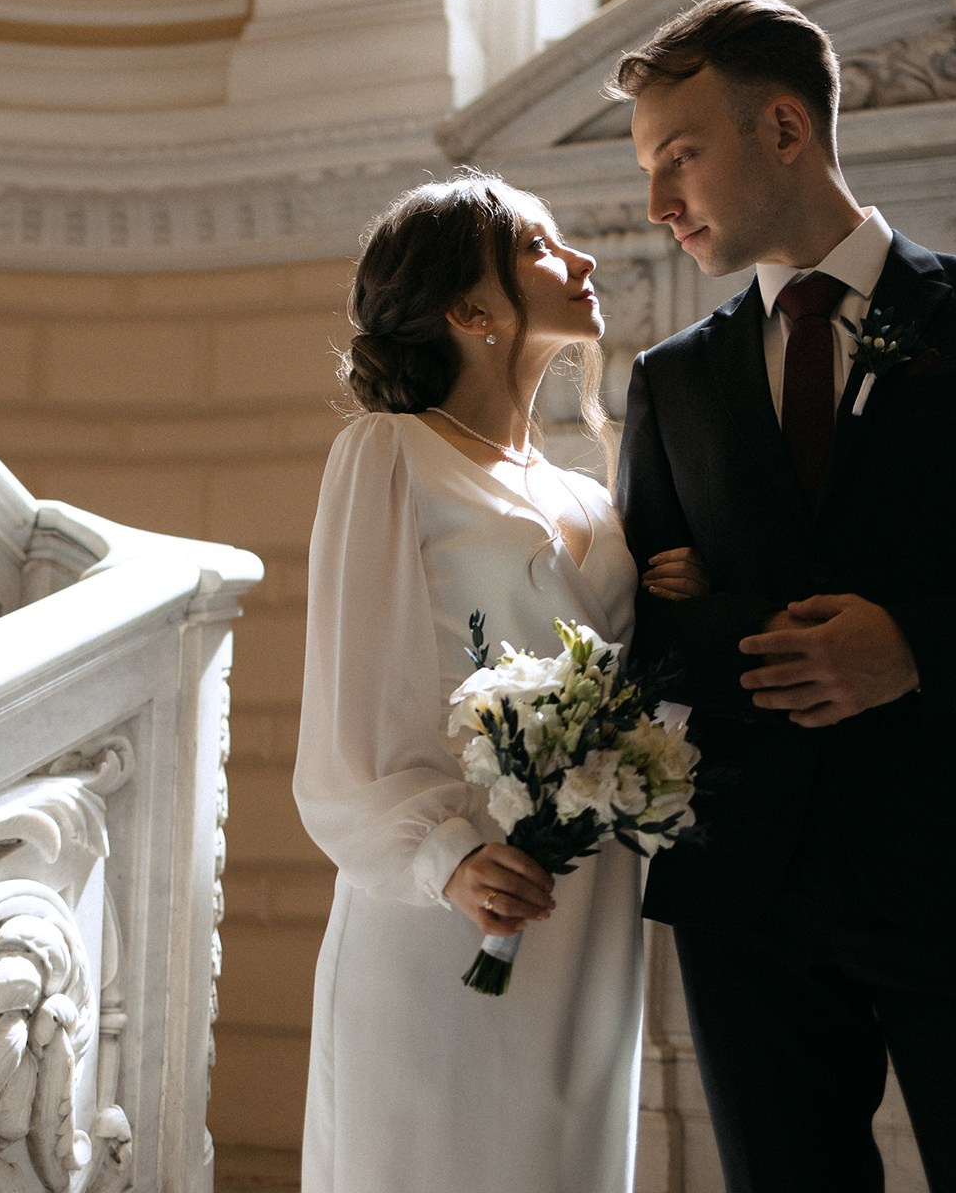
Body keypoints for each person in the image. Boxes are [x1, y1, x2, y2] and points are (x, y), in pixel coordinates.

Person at [611, 0, 956, 1193]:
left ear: (783, 130)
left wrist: (915, 645)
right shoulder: (672, 383)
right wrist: (698, 616)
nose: (659, 203)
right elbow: (649, 635)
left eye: (679, 157)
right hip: (748, 893)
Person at [294, 172, 705, 1193]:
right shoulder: (389, 455)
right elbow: (350, 716)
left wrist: (684, 600)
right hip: (449, 907)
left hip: (590, 910)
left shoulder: (586, 494)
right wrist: (447, 854)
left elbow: (639, 691)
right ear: (471, 312)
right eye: (538, 248)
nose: (581, 262)